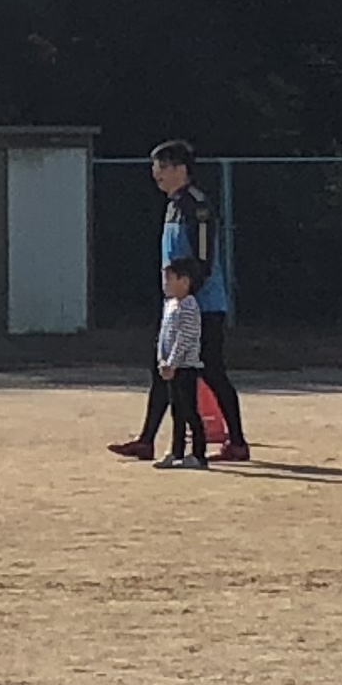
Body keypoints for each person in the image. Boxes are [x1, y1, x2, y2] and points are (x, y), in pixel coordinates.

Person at [110, 144, 246, 463]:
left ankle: (238, 443)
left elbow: (202, 261)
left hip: (202, 306)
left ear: (180, 168)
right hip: (176, 304)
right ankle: (146, 441)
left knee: (212, 371)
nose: (155, 173)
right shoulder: (173, 205)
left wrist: (186, 299)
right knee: (163, 369)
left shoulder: (196, 207)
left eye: (162, 166)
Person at [152, 259, 212, 467]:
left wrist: (173, 363)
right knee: (176, 411)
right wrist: (162, 360)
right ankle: (176, 452)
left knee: (189, 411)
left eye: (169, 279)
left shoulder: (189, 305)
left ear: (184, 281)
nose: (165, 284)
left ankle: (198, 455)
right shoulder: (169, 305)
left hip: (186, 368)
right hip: (171, 368)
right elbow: (163, 336)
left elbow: (184, 338)